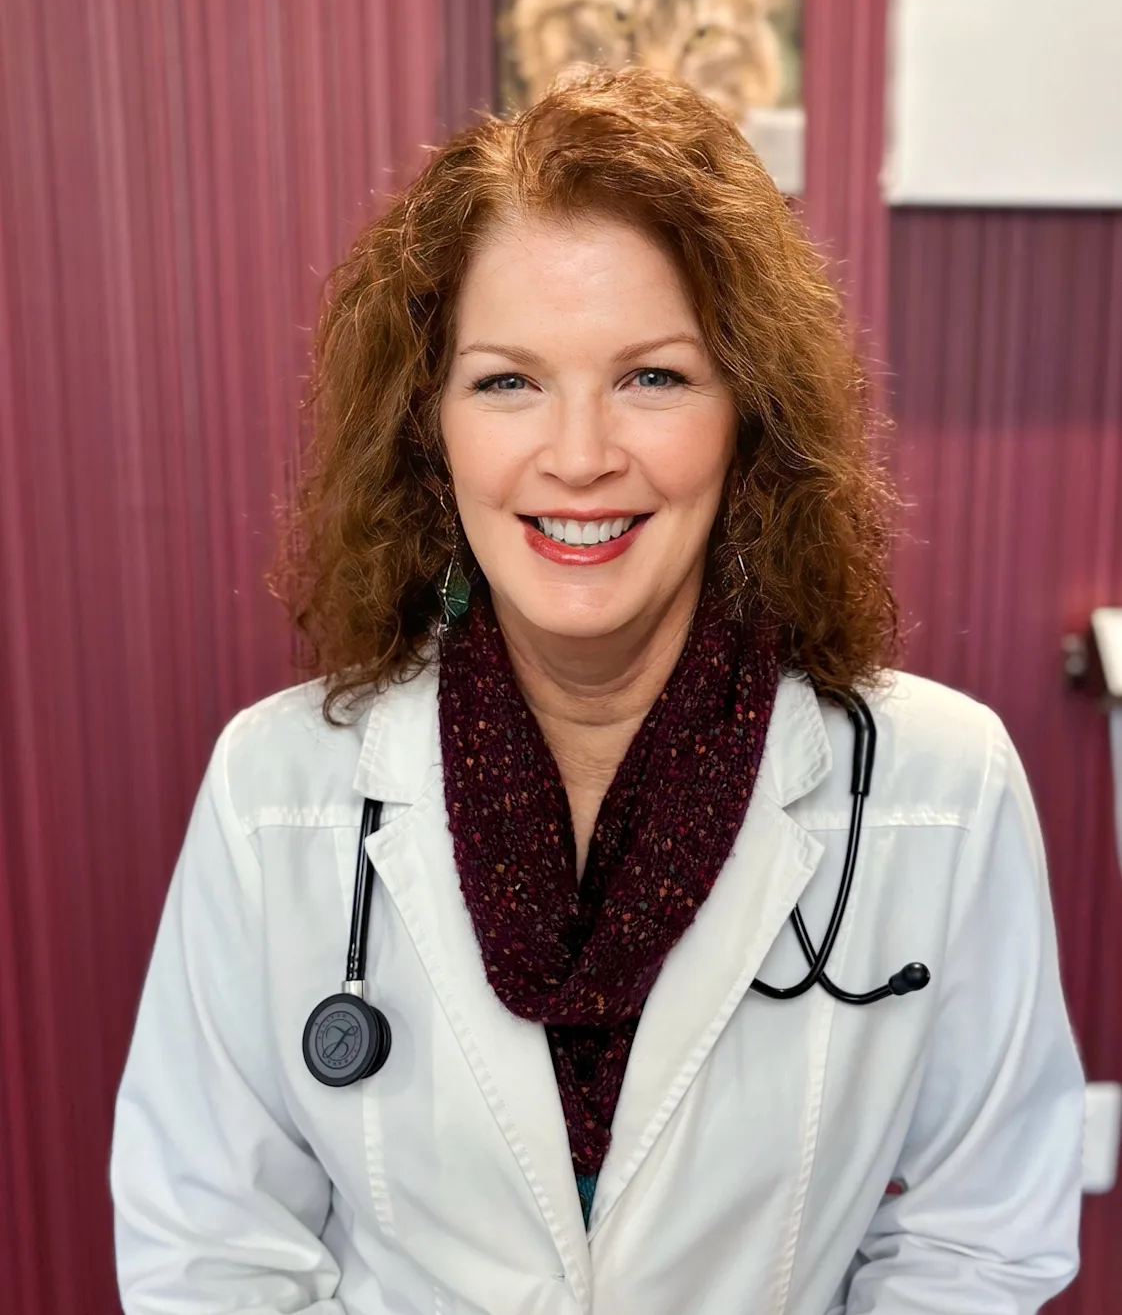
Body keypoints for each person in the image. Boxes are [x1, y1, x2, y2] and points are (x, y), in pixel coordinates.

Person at [110, 67, 1084, 1315]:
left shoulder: (939, 784)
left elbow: (980, 1239)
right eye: (507, 380)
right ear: (431, 427)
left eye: (654, 377)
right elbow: (209, 1251)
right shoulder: (278, 786)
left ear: (749, 415)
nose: (578, 456)